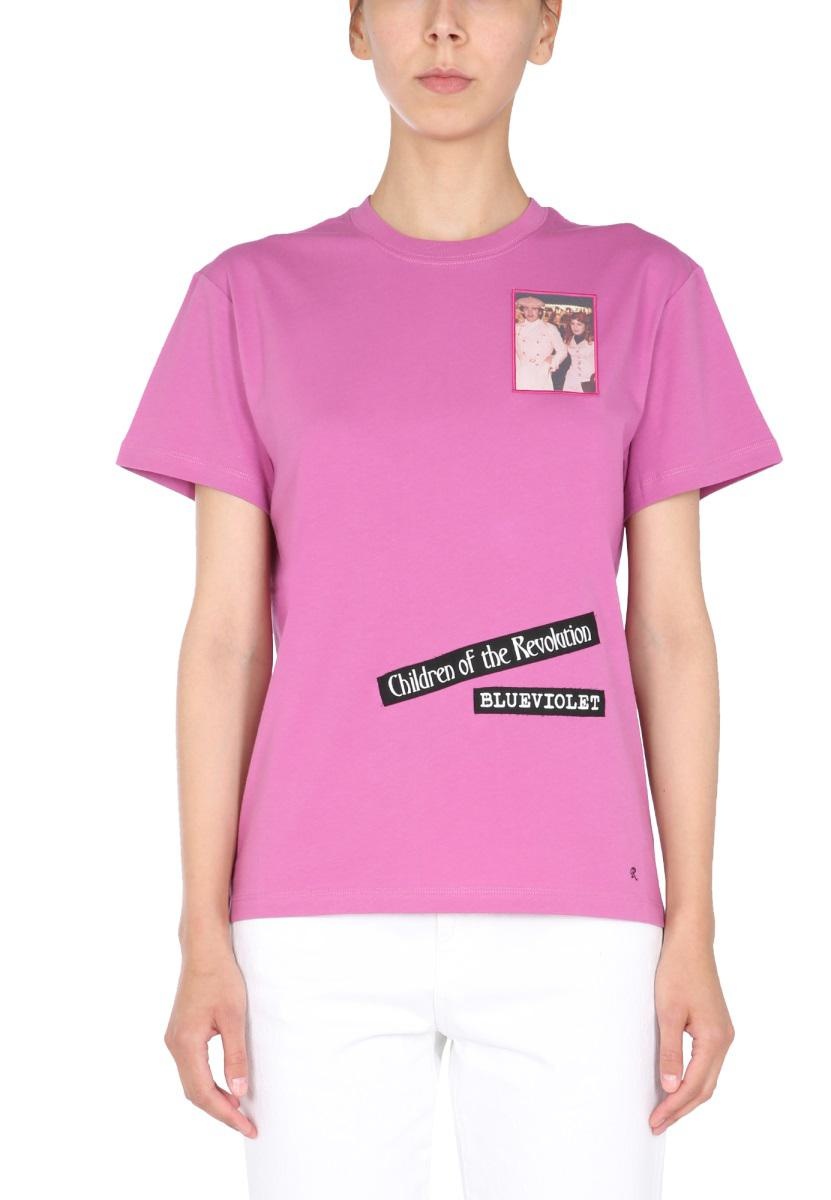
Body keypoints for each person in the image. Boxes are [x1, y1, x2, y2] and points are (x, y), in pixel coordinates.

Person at [114, 2, 784, 1197]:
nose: (442, 27)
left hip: (580, 915)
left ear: (546, 25)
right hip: (311, 917)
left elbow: (671, 629)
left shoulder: (643, 290)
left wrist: (695, 924)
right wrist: (199, 931)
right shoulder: (248, 298)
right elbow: (224, 641)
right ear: (355, 24)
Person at [561, 312, 597, 391]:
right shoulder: (568, 339)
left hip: (588, 380)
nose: (575, 327)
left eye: (579, 324)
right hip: (571, 379)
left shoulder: (594, 340)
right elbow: (560, 354)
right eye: (572, 324)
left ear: (585, 325)